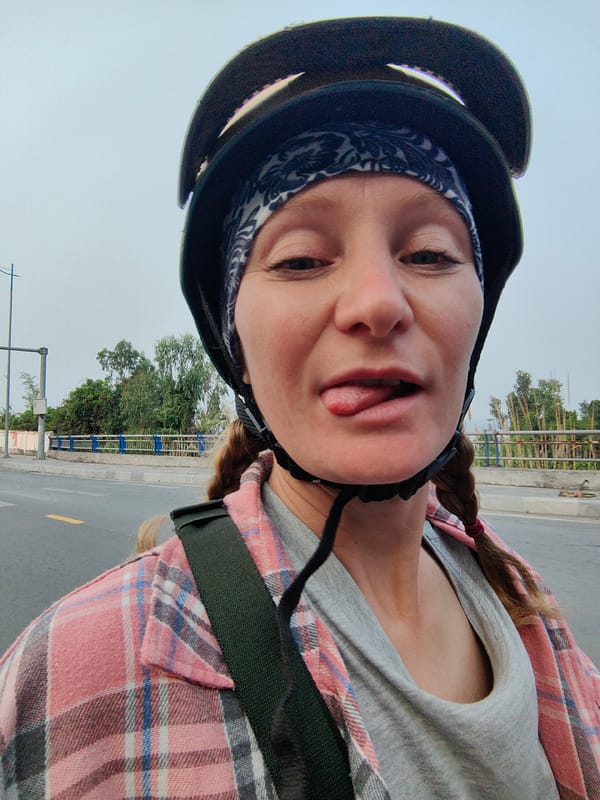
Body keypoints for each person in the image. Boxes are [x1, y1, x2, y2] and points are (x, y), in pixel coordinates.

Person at [1, 17, 598, 800]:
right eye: (302, 260)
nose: (378, 303)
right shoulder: (75, 672)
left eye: (428, 254)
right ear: (233, 339)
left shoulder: (525, 608)